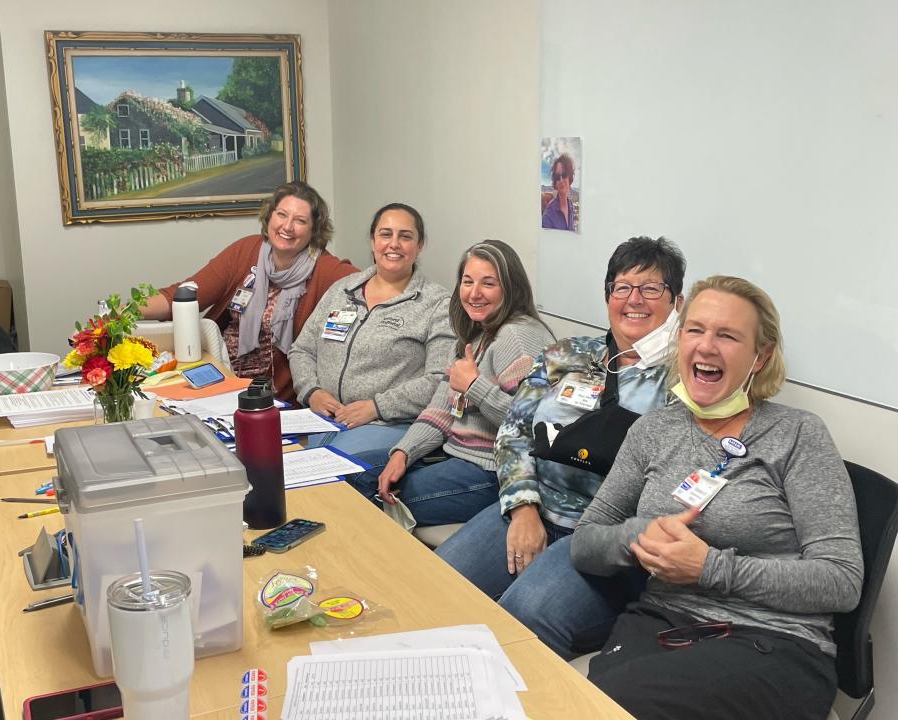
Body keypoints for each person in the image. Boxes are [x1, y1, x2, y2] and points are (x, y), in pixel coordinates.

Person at [572, 275, 863, 720]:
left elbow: (842, 582)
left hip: (774, 643)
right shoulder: (652, 431)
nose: (706, 346)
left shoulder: (798, 434)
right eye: (695, 330)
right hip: (662, 624)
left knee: (611, 704)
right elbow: (585, 542)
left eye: (727, 335)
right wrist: (638, 538)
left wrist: (710, 568)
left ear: (759, 357)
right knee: (581, 700)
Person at [436, 236, 686, 659]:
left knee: (524, 614)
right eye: (622, 287)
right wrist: (524, 509)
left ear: (675, 301)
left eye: (651, 288)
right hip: (535, 505)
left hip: (604, 539)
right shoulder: (567, 354)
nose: (634, 299)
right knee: (442, 583)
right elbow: (514, 431)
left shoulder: (683, 378)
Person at [348, 240, 555, 525]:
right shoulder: (475, 336)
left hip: (494, 473)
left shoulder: (517, 336)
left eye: (488, 283)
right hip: (452, 456)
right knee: (349, 472)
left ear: (511, 288)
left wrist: (475, 387)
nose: (474, 293)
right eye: (467, 281)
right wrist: (403, 452)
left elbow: (533, 426)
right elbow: (440, 411)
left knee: (363, 490)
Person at [143, 181, 358, 404]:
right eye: (282, 215)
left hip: (272, 395)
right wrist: (123, 313)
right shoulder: (246, 250)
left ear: (314, 230)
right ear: (269, 217)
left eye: (300, 221)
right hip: (219, 374)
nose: (287, 226)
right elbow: (183, 295)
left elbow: (370, 287)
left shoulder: (326, 269)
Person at [288, 203, 453, 457]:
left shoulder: (437, 304)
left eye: (405, 236)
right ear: (373, 241)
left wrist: (377, 407)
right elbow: (302, 350)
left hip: (388, 425)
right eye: (385, 234)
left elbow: (440, 380)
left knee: (329, 475)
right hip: (325, 419)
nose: (394, 244)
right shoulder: (342, 290)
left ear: (419, 246)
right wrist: (311, 391)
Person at [541, 153, 576, 231]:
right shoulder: (548, 215)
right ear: (555, 183)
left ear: (569, 177)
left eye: (564, 175)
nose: (560, 180)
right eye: (557, 177)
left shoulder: (571, 206)